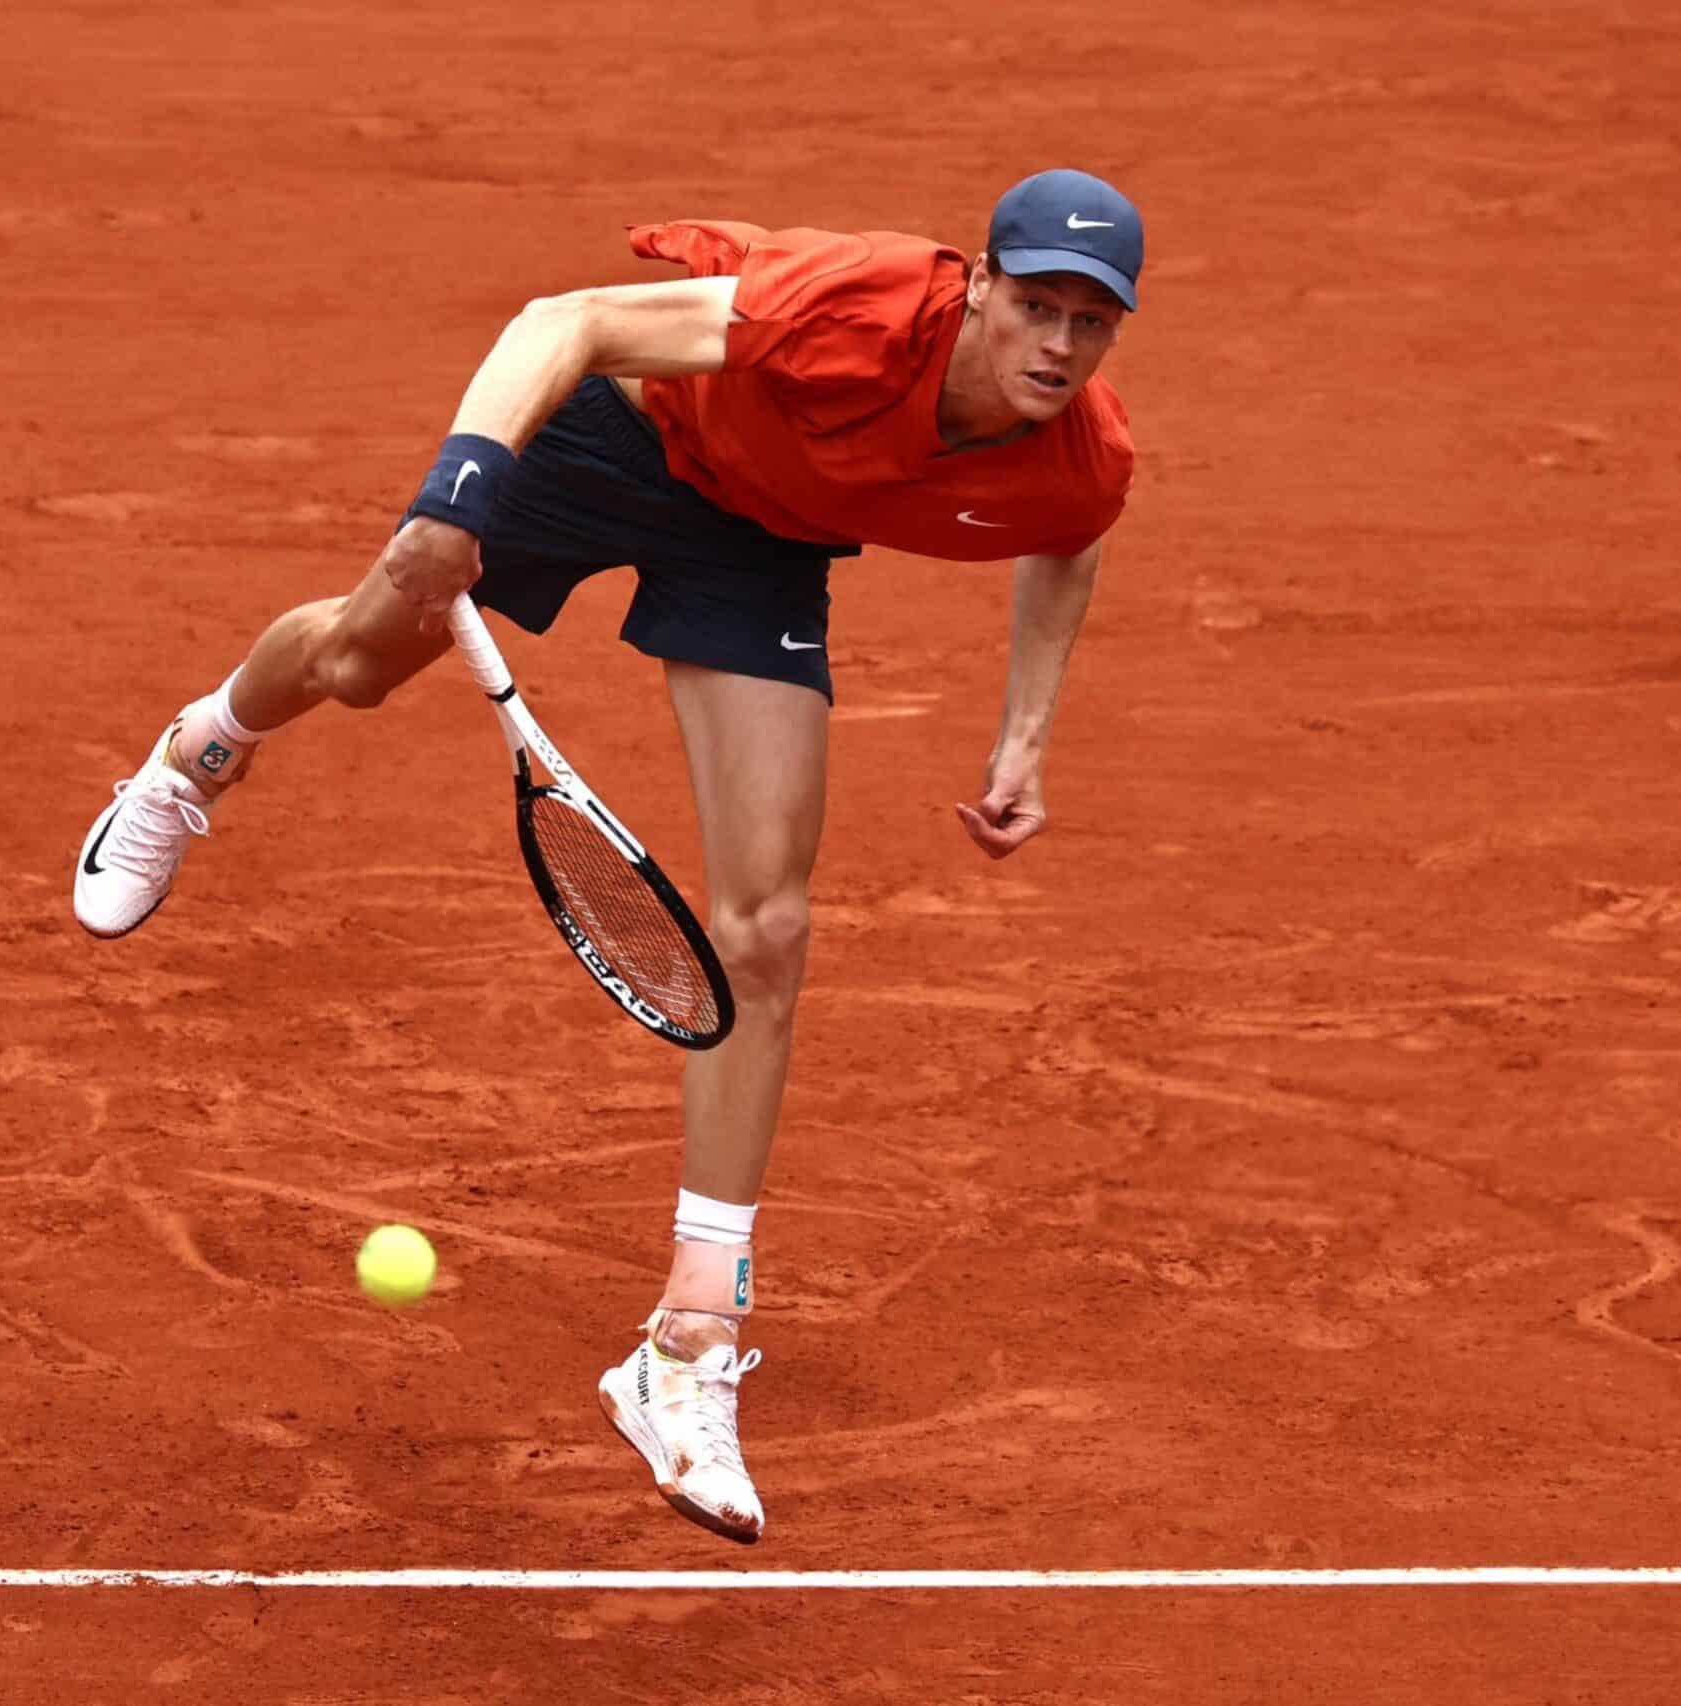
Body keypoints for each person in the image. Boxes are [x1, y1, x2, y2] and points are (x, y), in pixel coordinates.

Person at [72, 167, 1143, 1543]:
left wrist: (1026, 738)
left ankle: (688, 1344)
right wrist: (457, 496)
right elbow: (567, 319)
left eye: (1090, 322)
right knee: (353, 658)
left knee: (764, 926)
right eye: (1036, 306)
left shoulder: (1081, 448)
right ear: (981, 286)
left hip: (759, 540)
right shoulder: (858, 309)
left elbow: (1070, 539)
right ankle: (197, 751)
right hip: (614, 445)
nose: (1057, 344)